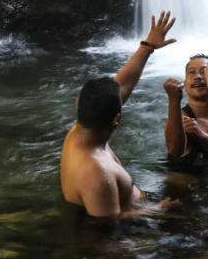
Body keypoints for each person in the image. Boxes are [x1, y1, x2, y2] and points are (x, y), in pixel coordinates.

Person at [60, 11, 180, 221]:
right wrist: (158, 210)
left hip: (130, 199)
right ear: (116, 120)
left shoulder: (85, 125)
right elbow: (108, 223)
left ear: (78, 103)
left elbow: (121, 86)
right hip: (120, 233)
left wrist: (148, 46)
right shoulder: (95, 174)